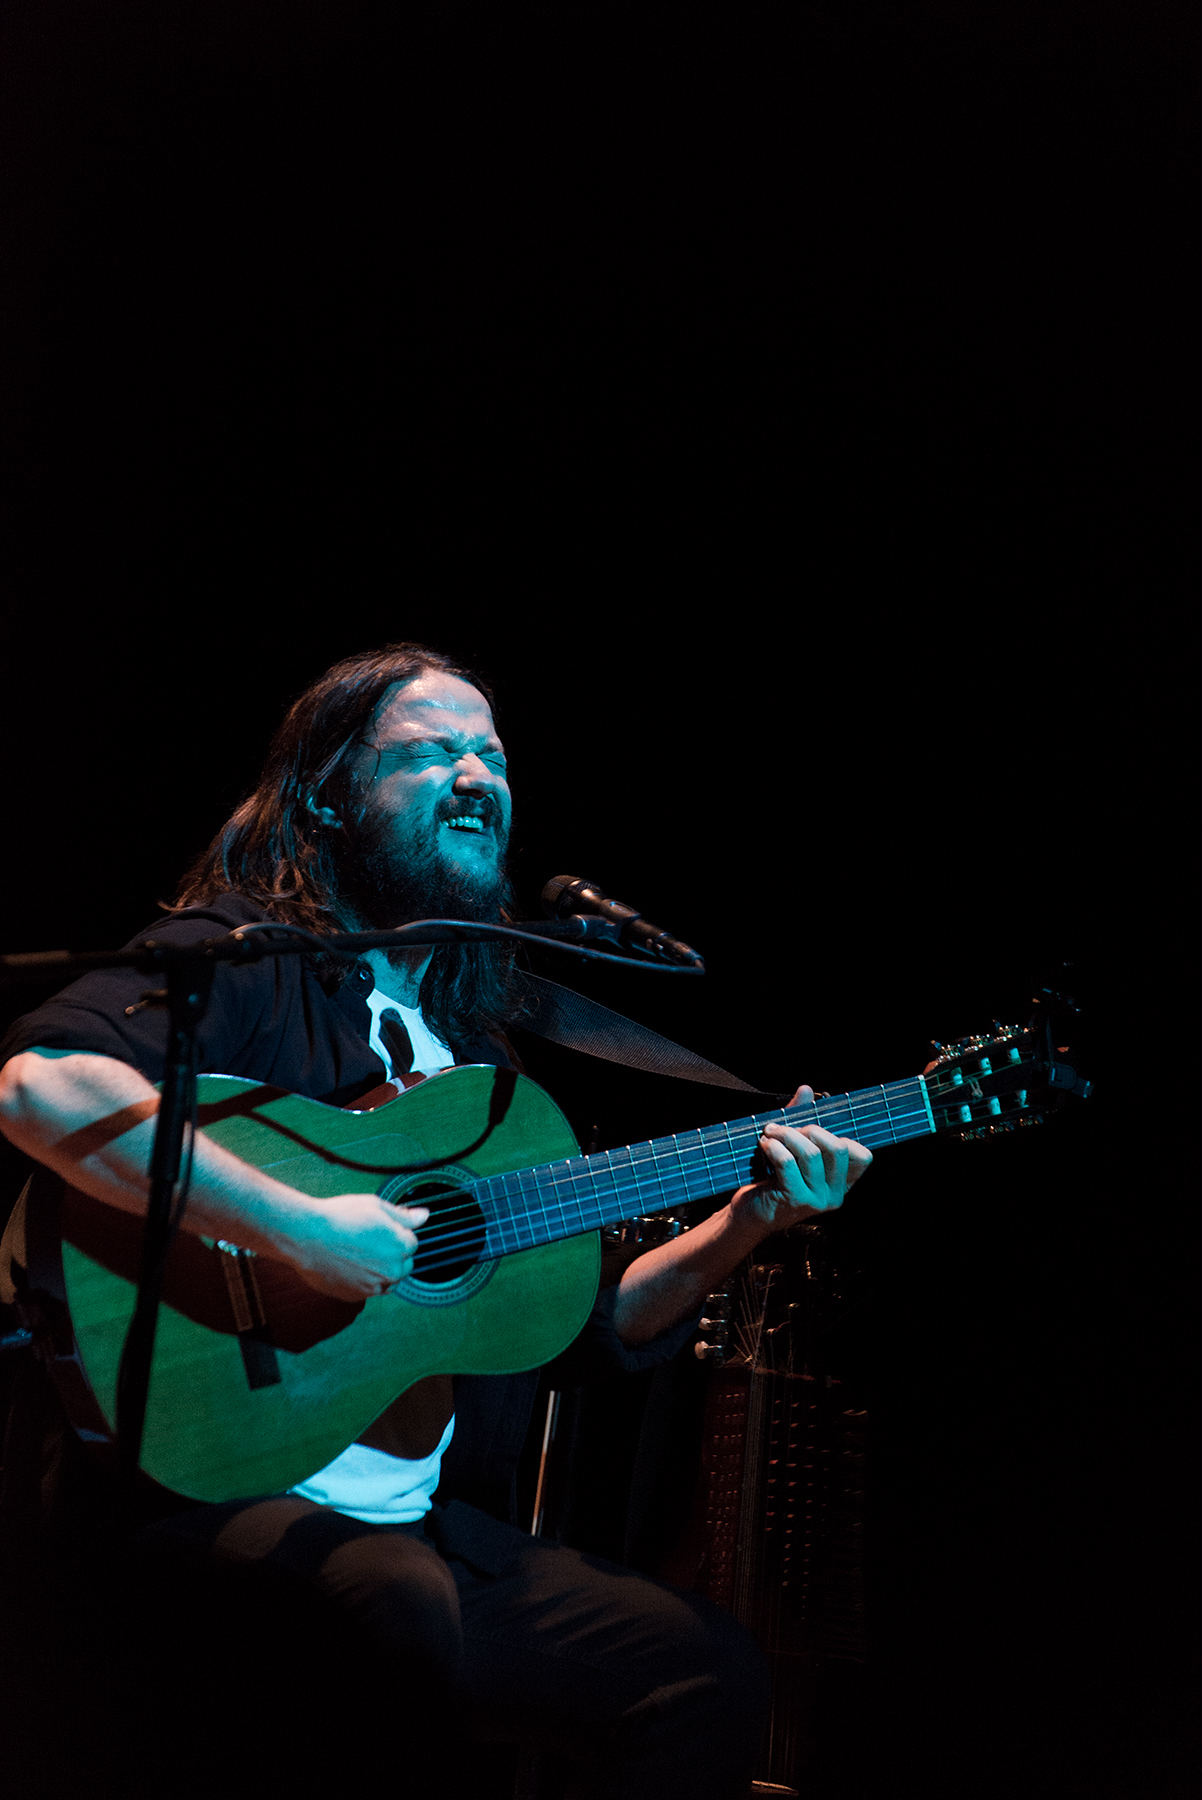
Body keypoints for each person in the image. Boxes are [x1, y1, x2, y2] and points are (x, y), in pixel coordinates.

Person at [0, 644, 872, 1799]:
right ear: (325, 792)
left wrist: (747, 1217)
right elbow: (43, 1085)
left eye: (490, 754)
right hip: (194, 1500)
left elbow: (592, 1322)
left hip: (418, 1526)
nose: (476, 776)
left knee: (701, 1673)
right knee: (386, 1614)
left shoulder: (480, 1062)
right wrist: (299, 1232)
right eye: (427, 753)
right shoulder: (249, 959)